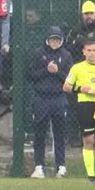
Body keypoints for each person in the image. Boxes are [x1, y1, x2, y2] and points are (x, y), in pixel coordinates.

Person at [29, 26, 72, 179]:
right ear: (47, 39)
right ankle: (38, 166)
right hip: (41, 98)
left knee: (59, 133)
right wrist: (46, 70)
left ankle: (61, 166)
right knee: (39, 132)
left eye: (58, 39)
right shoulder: (38, 53)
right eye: (53, 39)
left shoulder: (66, 56)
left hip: (59, 98)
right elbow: (31, 75)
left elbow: (69, 78)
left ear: (61, 40)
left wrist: (57, 71)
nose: (55, 42)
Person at [63, 38, 95, 183]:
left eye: (94, 50)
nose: (92, 53)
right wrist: (80, 89)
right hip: (85, 105)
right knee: (89, 139)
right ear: (84, 52)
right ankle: (91, 175)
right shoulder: (77, 68)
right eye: (89, 50)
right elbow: (66, 87)